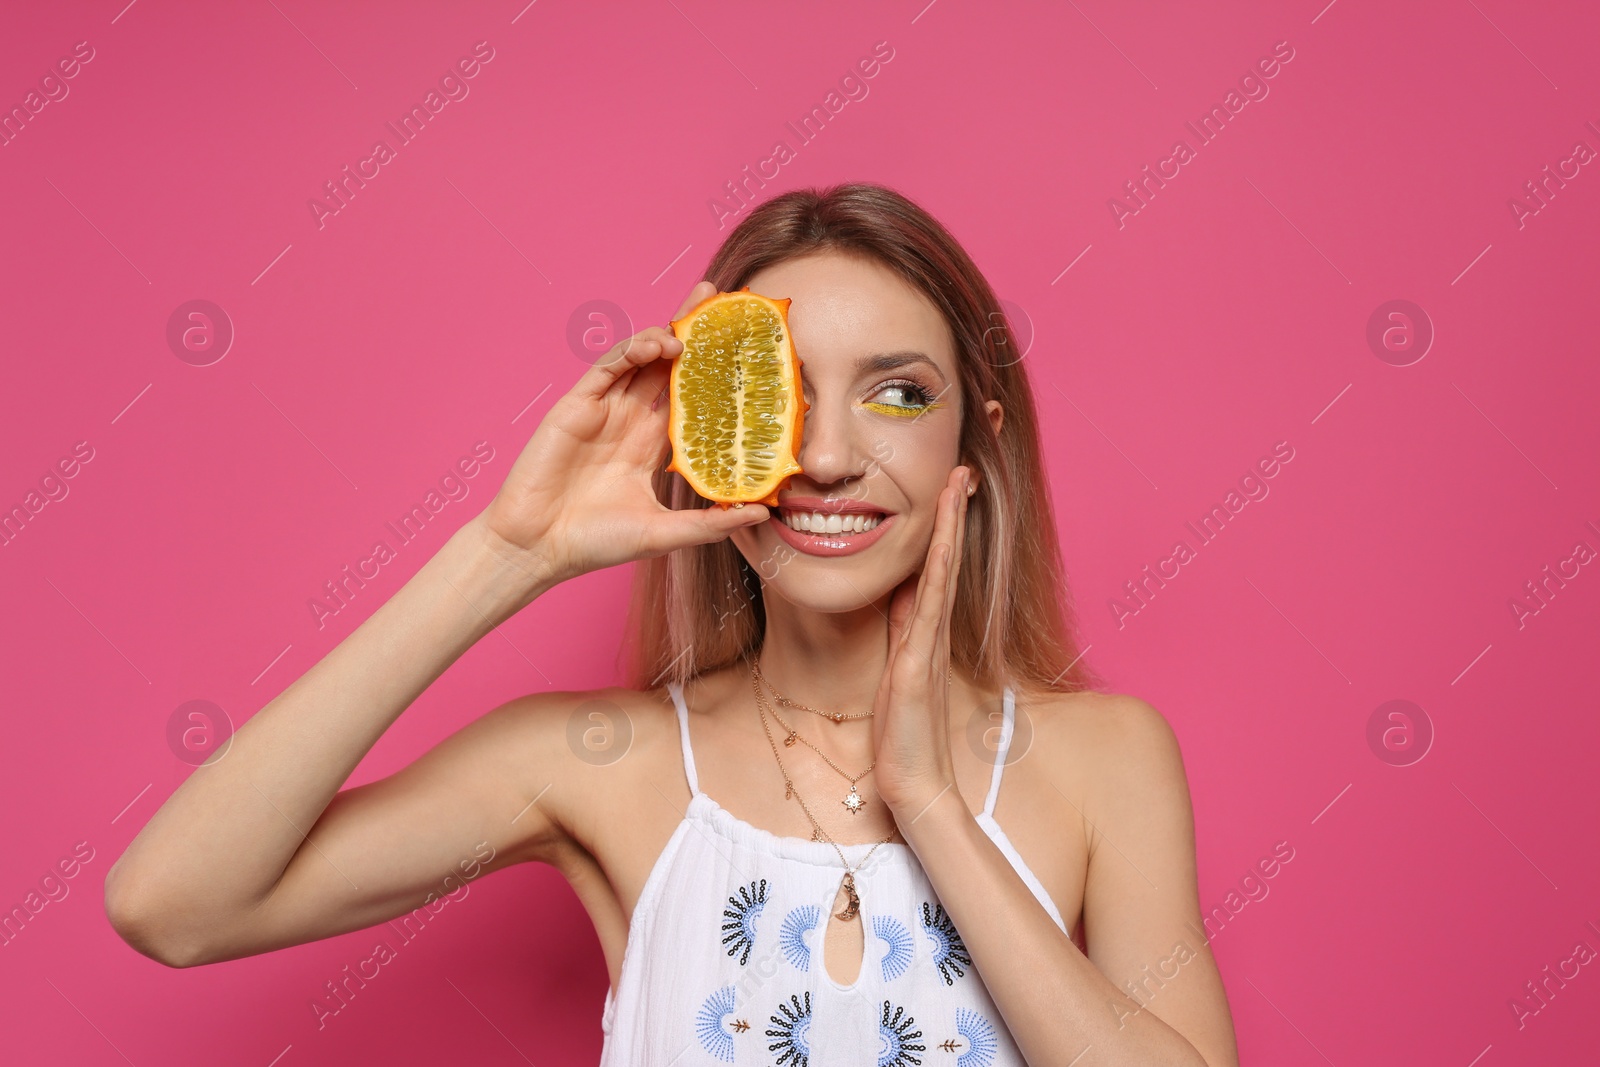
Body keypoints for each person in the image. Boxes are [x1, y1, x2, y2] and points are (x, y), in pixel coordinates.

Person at [104, 183, 1239, 1065]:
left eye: (896, 392)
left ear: (973, 445)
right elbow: (176, 903)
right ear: (699, 435)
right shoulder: (601, 763)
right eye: (774, 395)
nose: (830, 455)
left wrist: (929, 799)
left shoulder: (1105, 759)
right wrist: (510, 554)